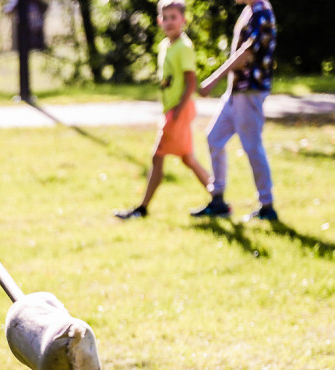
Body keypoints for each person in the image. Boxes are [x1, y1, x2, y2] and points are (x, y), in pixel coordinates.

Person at [115, 0, 211, 220]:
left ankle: (143, 208)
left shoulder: (184, 47)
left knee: (157, 156)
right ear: (159, 21)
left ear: (183, 20)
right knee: (188, 158)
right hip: (171, 110)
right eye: (165, 18)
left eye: (173, 17)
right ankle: (218, 198)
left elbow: (190, 81)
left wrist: (177, 111)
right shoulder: (165, 46)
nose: (169, 22)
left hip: (178, 111)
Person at [192, 0, 278, 221]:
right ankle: (218, 200)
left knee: (252, 147)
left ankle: (267, 206)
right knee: (214, 138)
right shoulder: (249, 11)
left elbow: (246, 55)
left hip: (249, 92)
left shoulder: (262, 13)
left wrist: (212, 80)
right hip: (235, 92)